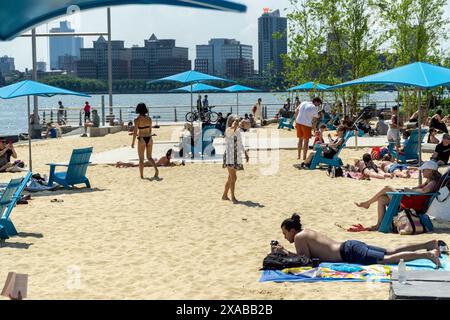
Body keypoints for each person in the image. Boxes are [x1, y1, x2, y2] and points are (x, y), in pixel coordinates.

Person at [272, 213, 441, 267]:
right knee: (390, 250)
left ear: (292, 230)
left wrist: (284, 252)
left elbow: (304, 260)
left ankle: (426, 255)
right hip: (351, 245)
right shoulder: (306, 232)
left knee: (386, 259)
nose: (285, 237)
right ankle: (429, 244)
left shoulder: (299, 238)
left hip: (348, 252)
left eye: (285, 234)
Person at [355, 161, 442, 231]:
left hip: (413, 203)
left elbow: (424, 191)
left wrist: (410, 191)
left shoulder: (433, 182)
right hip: (411, 198)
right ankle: (378, 224)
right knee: (382, 199)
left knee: (387, 187)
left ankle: (368, 203)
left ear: (430, 170)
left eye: (424, 170)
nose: (422, 172)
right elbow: (418, 188)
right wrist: (407, 190)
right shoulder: (429, 180)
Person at [222, 115, 249, 204]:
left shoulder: (237, 131)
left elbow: (240, 143)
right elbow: (231, 130)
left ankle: (224, 195)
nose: (236, 123)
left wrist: (245, 153)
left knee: (230, 178)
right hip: (229, 156)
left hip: (236, 156)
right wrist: (235, 123)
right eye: (234, 121)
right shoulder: (228, 130)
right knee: (234, 178)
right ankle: (233, 197)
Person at [131, 103, 159, 179]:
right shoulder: (149, 119)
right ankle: (156, 169)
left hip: (142, 139)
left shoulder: (137, 120)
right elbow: (150, 130)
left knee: (141, 159)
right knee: (149, 157)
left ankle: (141, 176)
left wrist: (133, 142)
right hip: (149, 138)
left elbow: (135, 132)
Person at [115, 149, 185, 168]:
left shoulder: (167, 159)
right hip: (150, 163)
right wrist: (176, 164)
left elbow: (168, 164)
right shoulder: (165, 158)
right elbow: (168, 165)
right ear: (169, 155)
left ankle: (122, 164)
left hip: (151, 163)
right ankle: (121, 163)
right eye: (172, 155)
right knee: (135, 165)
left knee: (136, 165)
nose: (172, 156)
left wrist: (177, 164)